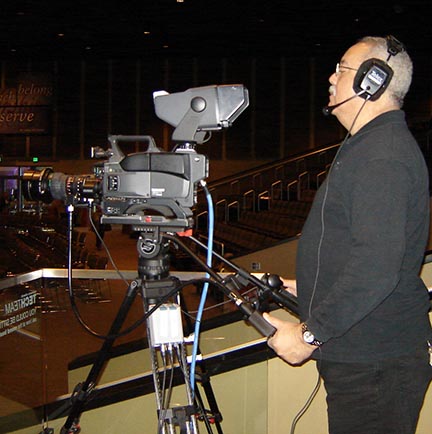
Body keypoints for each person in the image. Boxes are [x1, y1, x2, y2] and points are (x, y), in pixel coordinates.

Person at [264, 35, 432, 434]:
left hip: (376, 366)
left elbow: (376, 269)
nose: (331, 77)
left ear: (372, 81)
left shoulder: (383, 157)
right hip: (368, 362)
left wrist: (308, 336)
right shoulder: (370, 146)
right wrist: (313, 286)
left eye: (341, 69)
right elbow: (364, 251)